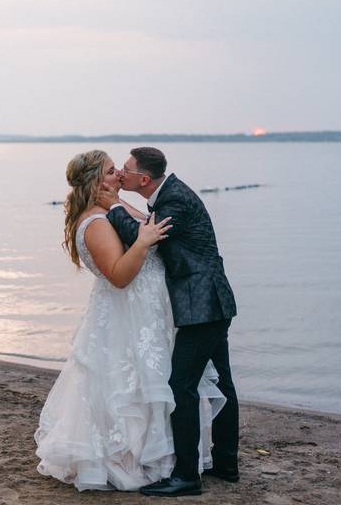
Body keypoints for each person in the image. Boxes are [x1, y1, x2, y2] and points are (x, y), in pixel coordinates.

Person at [35, 150, 226, 492]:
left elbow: (148, 225)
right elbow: (120, 275)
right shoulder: (94, 224)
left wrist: (123, 212)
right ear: (96, 181)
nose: (119, 175)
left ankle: (179, 461)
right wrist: (143, 242)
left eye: (120, 169)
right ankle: (135, 460)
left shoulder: (108, 212)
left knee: (157, 385)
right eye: (111, 171)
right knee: (135, 388)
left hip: (147, 314)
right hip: (129, 315)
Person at [97, 147, 240, 497]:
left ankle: (187, 477)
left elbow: (140, 238)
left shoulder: (174, 200)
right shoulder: (169, 194)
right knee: (220, 382)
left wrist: (112, 204)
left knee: (181, 386)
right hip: (209, 303)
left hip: (202, 306)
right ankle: (226, 464)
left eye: (126, 170)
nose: (121, 173)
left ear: (142, 180)